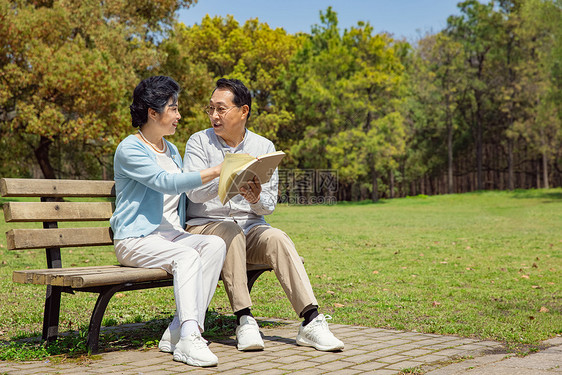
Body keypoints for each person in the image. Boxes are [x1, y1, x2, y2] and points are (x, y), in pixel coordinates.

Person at [183, 78, 344, 352]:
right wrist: (224, 176)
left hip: (250, 229)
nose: (213, 116)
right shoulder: (198, 142)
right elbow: (193, 194)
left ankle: (311, 321)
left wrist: (255, 198)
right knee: (230, 232)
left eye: (221, 109)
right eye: (210, 109)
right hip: (206, 229)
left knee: (278, 237)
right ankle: (245, 320)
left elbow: (268, 206)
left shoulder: (263, 146)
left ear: (243, 111)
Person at [110, 76, 226, 367]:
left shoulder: (171, 150)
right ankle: (189, 337)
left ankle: (180, 329)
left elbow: (188, 188)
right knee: (187, 256)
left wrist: (230, 179)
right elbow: (165, 182)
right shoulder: (130, 149)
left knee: (214, 244)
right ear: (152, 112)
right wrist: (215, 170)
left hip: (170, 236)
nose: (178, 115)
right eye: (173, 109)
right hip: (135, 240)